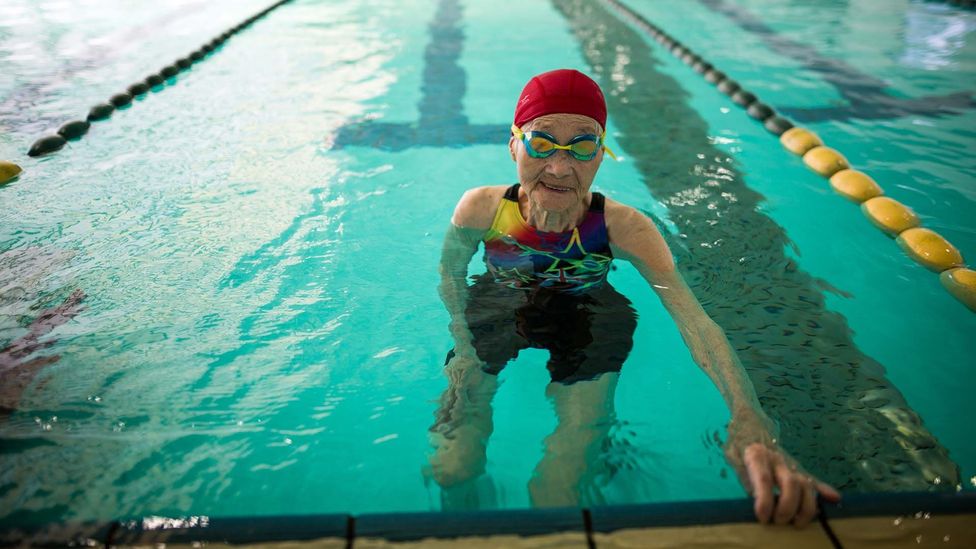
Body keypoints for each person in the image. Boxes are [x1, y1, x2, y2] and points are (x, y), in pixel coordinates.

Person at [428, 69, 840, 526]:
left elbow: (696, 322)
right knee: (452, 468)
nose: (560, 168)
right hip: (496, 307)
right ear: (513, 144)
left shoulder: (626, 228)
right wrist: (463, 347)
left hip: (588, 319)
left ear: (602, 154)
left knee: (558, 492)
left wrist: (749, 416)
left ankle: (596, 451)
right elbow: (449, 277)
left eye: (583, 145)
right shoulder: (481, 209)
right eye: (541, 142)